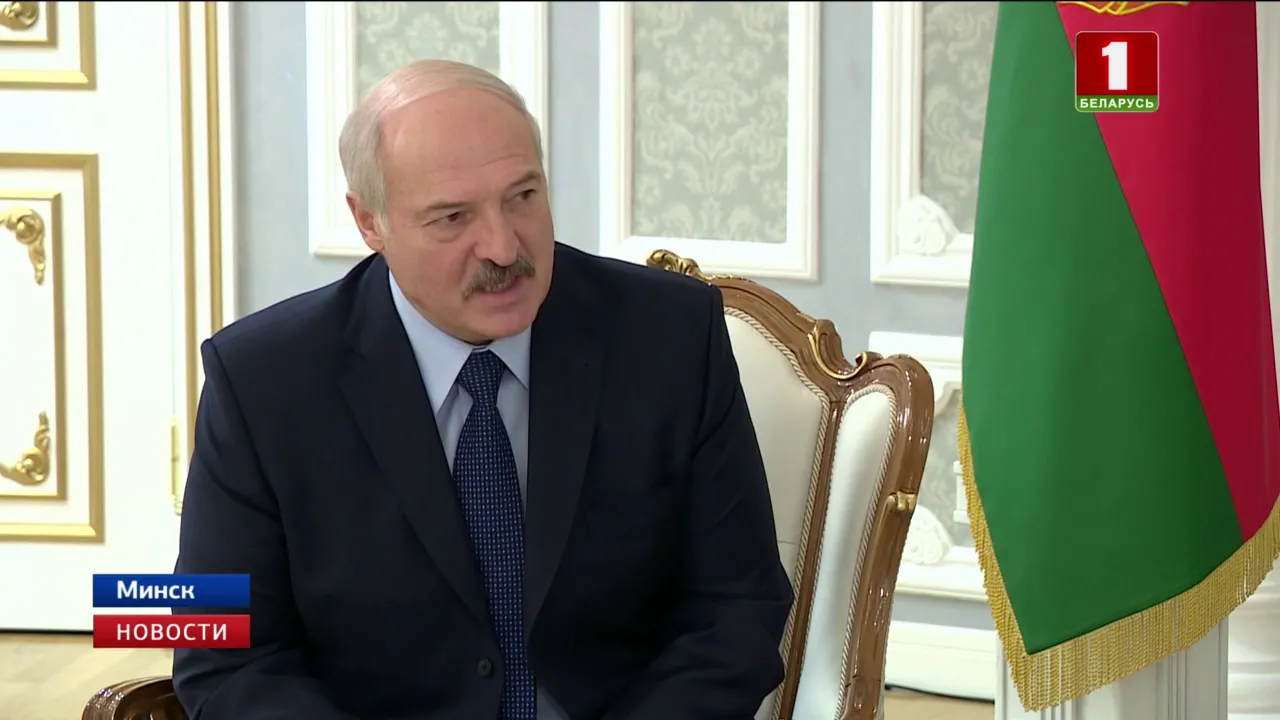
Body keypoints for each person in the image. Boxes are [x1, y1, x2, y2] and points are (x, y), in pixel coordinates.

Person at [171, 58, 793, 720]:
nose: (502, 247)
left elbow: (736, 606)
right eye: (452, 217)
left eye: (522, 197)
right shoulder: (261, 382)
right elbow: (220, 653)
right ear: (370, 222)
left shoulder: (669, 336)